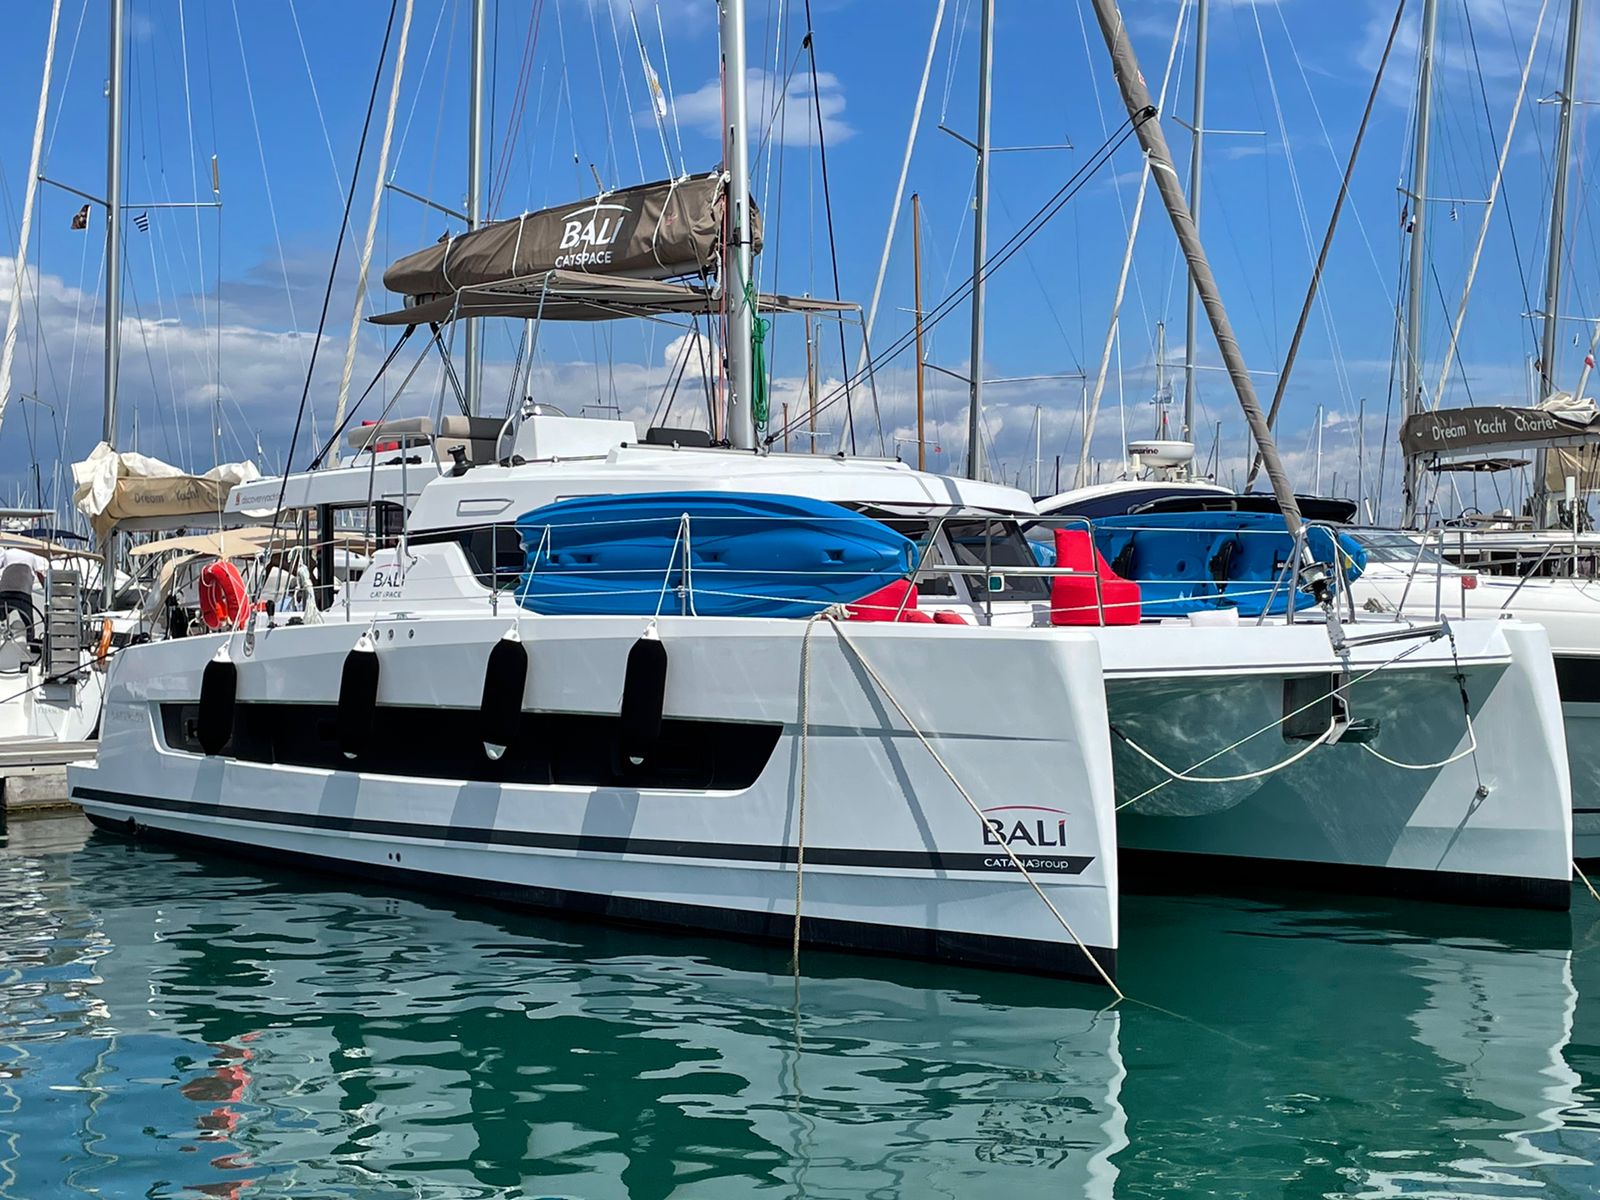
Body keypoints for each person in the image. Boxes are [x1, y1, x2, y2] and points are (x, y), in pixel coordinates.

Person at [0, 543, 48, 654]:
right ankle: (32, 645)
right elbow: (40, 573)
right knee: (29, 623)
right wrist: (46, 589)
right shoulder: (32, 554)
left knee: (1, 615)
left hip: (5, 589)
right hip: (23, 591)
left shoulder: (7, 553)